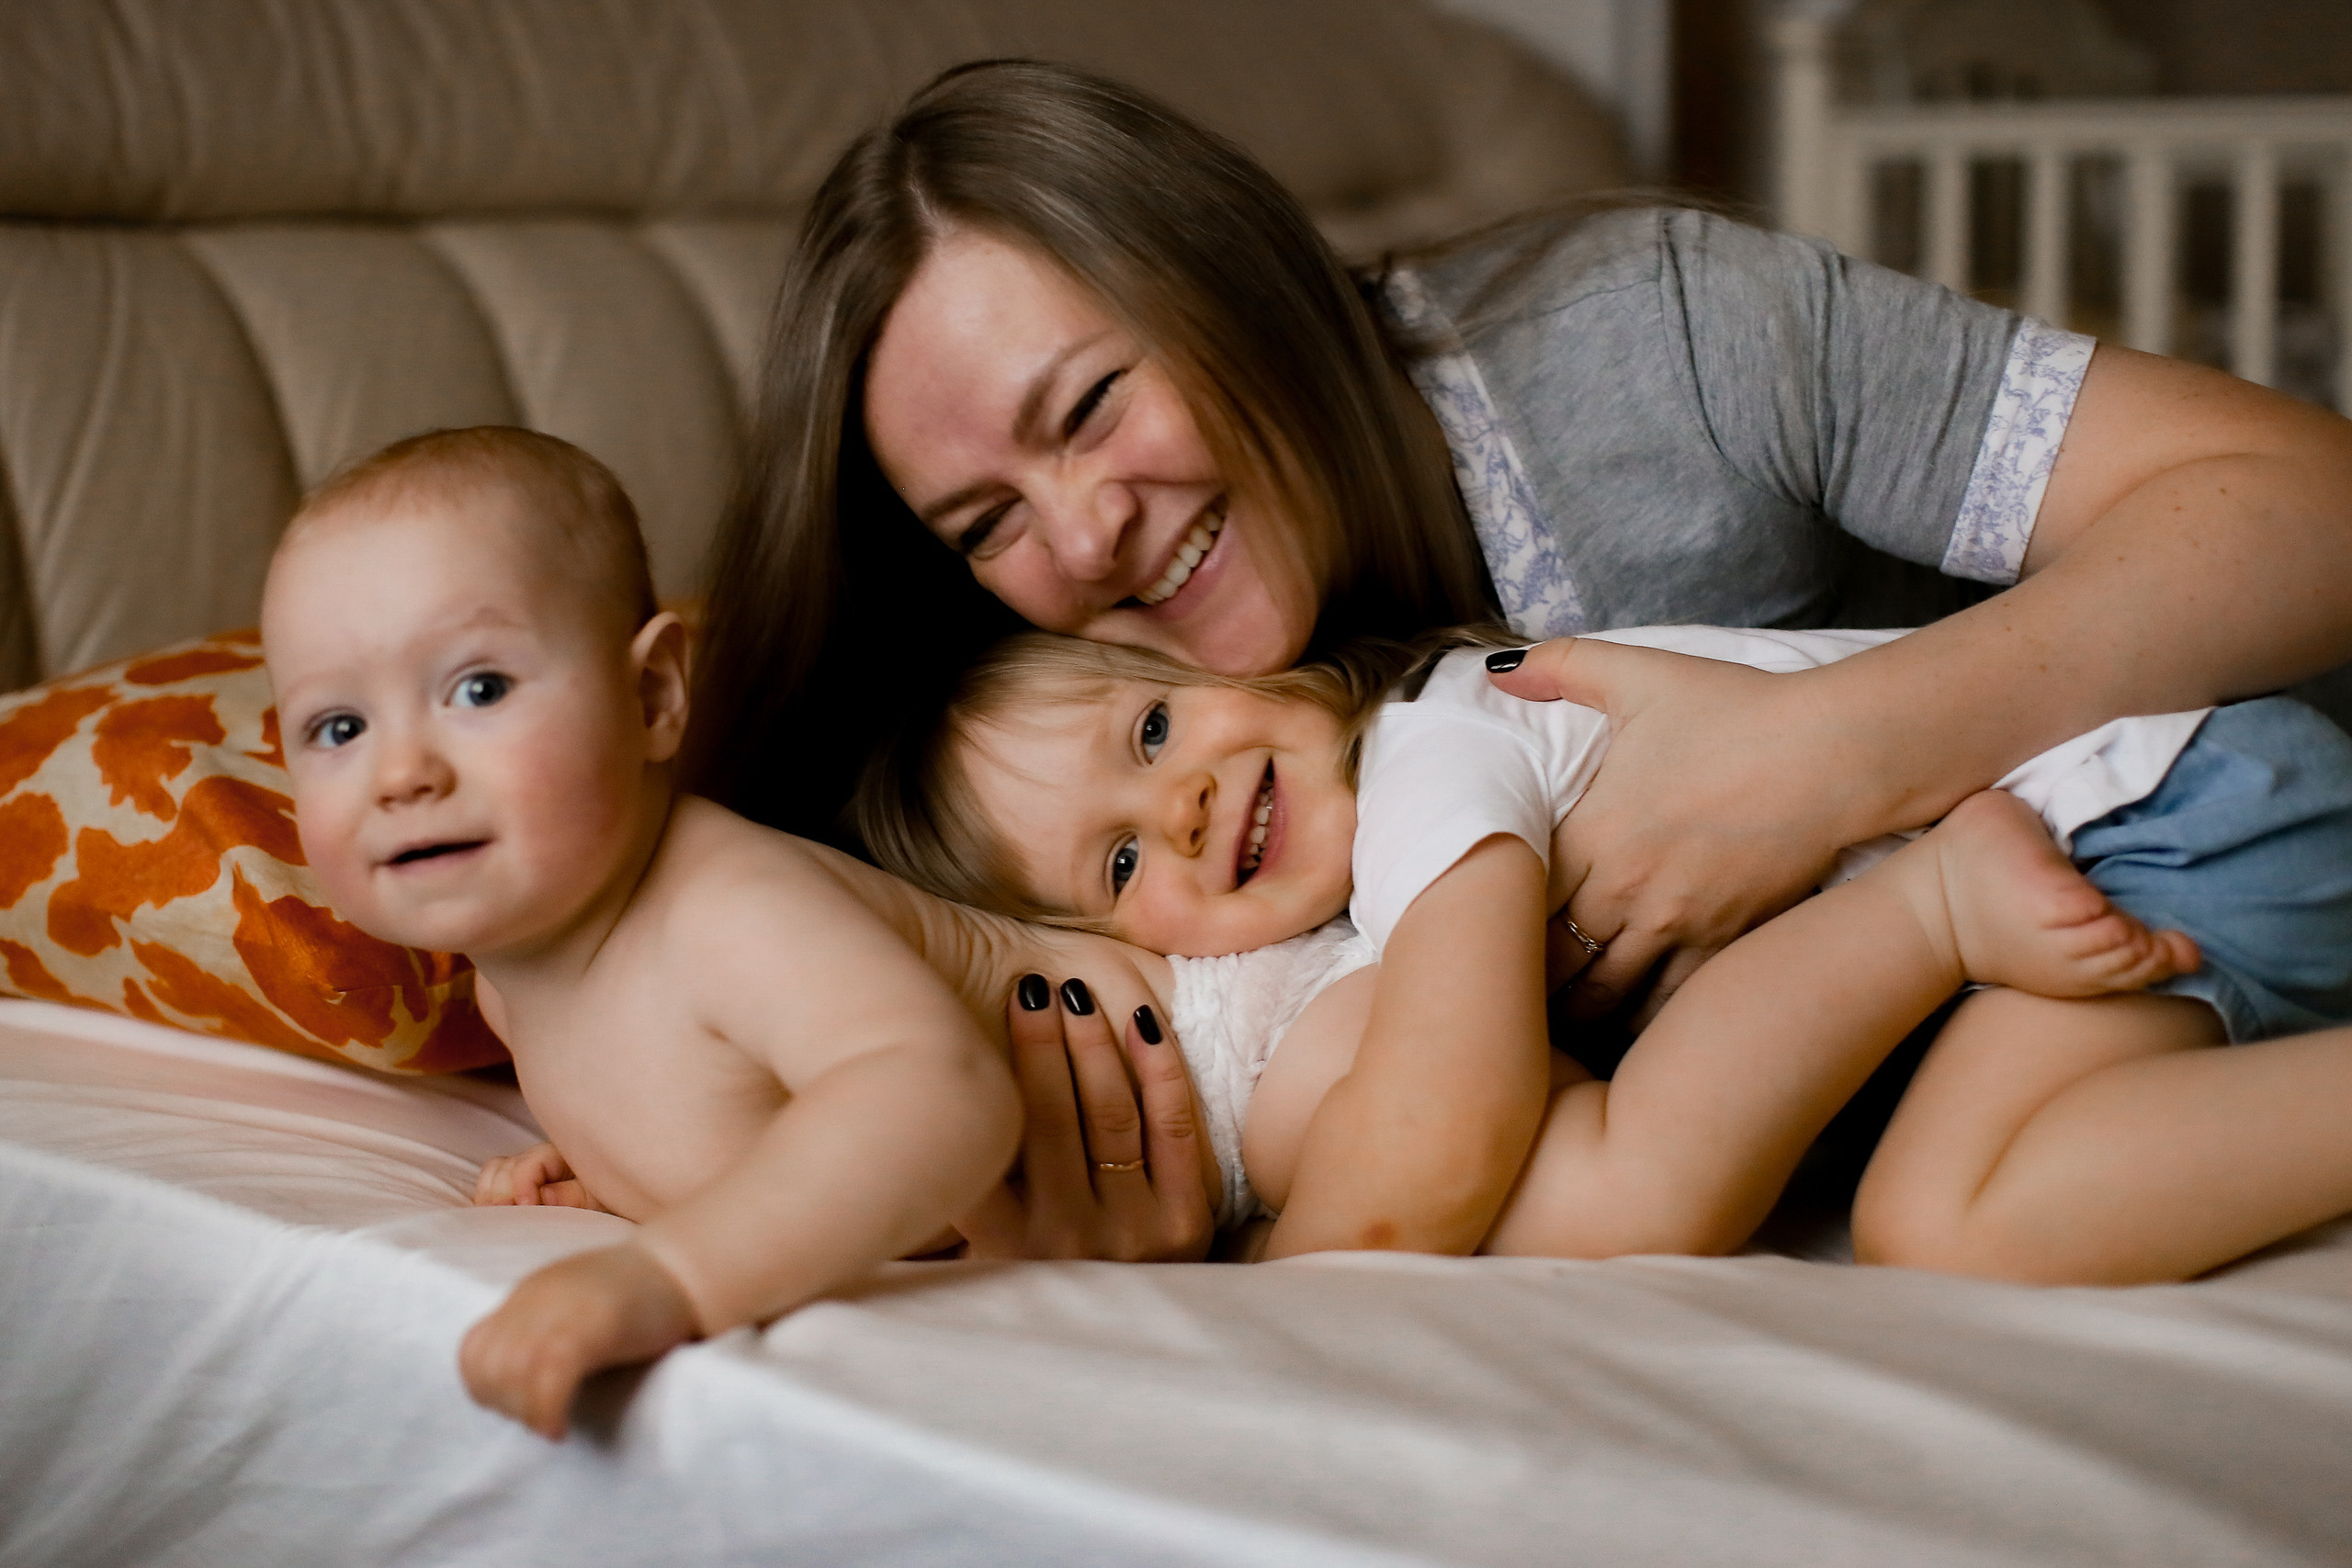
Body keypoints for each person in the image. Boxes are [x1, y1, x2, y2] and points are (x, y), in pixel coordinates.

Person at [687, 60, 2352, 1260]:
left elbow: (2311, 504)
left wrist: (1834, 752)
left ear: (1229, 285)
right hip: (2036, 990)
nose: (1087, 532)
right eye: (987, 520)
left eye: (1095, 404)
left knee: (1967, 1217)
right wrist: (672, 1156)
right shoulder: (1059, 735)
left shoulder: (1651, 352)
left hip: (2178, 808)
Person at [853, 625, 2352, 1280]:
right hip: (2138, 860)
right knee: (1990, 1175)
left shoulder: (1439, 750)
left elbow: (1449, 1125)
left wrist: (1250, 1274)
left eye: (1155, 728)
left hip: (2153, 811)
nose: (1177, 808)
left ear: (1232, 664)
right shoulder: (1375, 907)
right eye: (1117, 863)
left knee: (1952, 1220)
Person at [259, 427, 1216, 1437]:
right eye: (338, 728)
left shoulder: (723, 903)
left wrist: (671, 1271)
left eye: (479, 689)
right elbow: (736, 1111)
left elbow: (938, 1097)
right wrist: (625, 1186)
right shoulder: (512, 980)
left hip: (1223, 1059)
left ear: (653, 697)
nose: (403, 772)